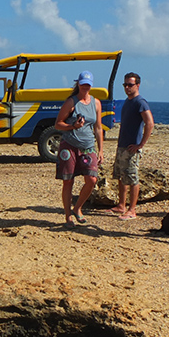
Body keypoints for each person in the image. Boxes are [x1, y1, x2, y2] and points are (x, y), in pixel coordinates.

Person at [54, 70, 103, 226]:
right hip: (69, 144)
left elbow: (98, 127)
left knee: (92, 179)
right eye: (83, 84)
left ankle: (78, 208)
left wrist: (101, 149)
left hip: (88, 146)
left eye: (88, 85)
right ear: (78, 84)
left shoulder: (96, 103)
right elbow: (58, 124)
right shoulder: (71, 102)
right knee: (68, 181)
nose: (85, 87)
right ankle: (68, 215)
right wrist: (73, 126)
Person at [111, 72, 154, 220]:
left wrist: (140, 144)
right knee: (121, 176)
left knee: (132, 177)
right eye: (125, 85)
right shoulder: (128, 102)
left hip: (131, 147)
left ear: (137, 85)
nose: (127, 87)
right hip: (122, 145)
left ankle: (132, 209)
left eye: (130, 85)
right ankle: (121, 205)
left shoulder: (140, 102)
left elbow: (150, 123)